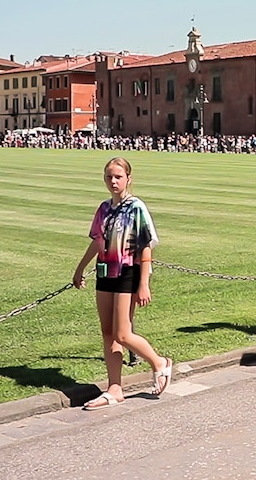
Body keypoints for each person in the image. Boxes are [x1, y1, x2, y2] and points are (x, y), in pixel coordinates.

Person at [73, 156, 171, 409]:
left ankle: (159, 363)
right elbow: (98, 241)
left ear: (128, 178)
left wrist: (144, 283)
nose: (113, 181)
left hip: (127, 273)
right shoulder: (104, 208)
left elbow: (146, 246)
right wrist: (80, 268)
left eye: (118, 176)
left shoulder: (136, 207)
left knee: (122, 333)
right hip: (105, 272)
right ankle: (114, 388)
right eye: (109, 176)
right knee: (108, 334)